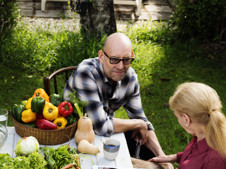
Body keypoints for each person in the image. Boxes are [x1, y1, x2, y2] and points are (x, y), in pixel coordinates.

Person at [63, 32, 166, 160]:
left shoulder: (130, 77)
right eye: (114, 59)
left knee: (150, 152)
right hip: (71, 137)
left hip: (104, 135)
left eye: (126, 60)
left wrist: (162, 156)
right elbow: (100, 125)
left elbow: (141, 120)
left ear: (132, 55)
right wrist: (138, 124)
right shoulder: (86, 73)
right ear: (101, 56)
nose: (121, 66)